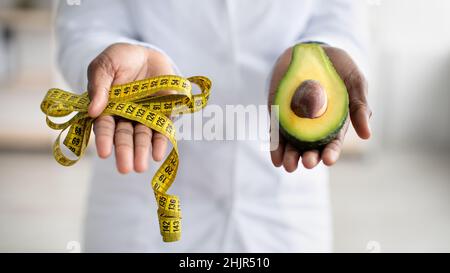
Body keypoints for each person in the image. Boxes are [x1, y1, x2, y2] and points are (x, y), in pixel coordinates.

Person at [56, 0, 371, 252]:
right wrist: (112, 63)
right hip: (138, 206)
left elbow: (341, 21)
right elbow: (84, 25)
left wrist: (317, 57)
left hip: (281, 208)